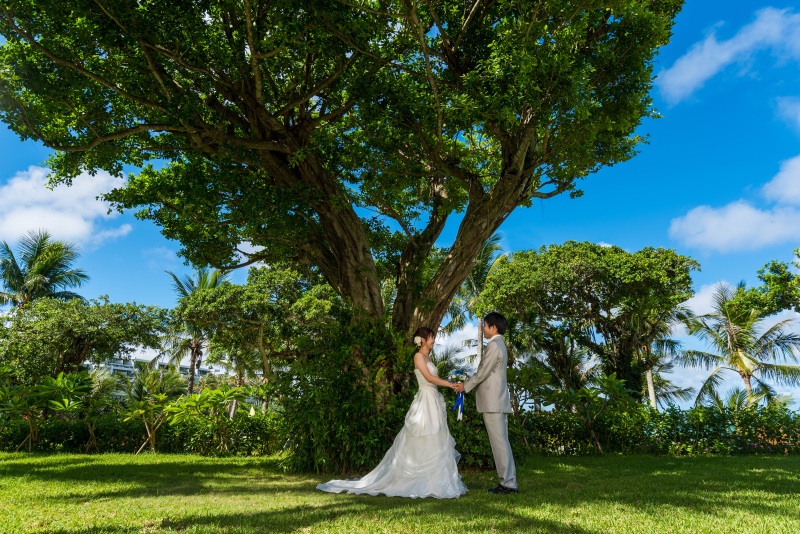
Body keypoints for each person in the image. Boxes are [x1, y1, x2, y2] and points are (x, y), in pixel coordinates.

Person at [316, 327, 468, 498]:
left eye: (433, 337)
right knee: (422, 433)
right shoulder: (418, 356)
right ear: (422, 340)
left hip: (433, 398)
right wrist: (450, 384)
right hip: (425, 399)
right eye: (431, 337)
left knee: (436, 435)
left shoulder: (428, 358)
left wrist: (452, 383)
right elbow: (428, 378)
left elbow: (434, 379)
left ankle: (435, 480)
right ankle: (417, 479)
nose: (434, 340)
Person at [454, 312, 517, 494]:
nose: (483, 328)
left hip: (493, 402)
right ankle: (508, 481)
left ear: (493, 327)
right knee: (502, 442)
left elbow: (482, 372)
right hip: (497, 401)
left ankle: (508, 484)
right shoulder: (499, 344)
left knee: (499, 444)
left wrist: (465, 386)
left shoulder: (494, 345)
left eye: (485, 325)